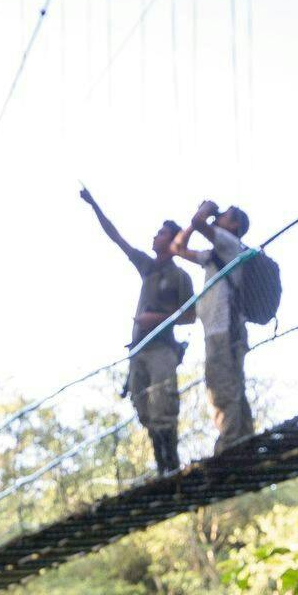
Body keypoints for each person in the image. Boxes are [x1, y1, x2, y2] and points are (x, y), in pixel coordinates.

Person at [79, 187, 194, 473]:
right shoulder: (148, 267)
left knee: (162, 406)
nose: (155, 236)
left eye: (161, 233)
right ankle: (162, 464)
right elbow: (116, 237)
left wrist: (157, 319)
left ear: (172, 241)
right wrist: (94, 204)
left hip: (162, 350)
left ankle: (170, 467)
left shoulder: (179, 276)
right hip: (138, 352)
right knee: (142, 407)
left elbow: (191, 315)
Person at [172, 199, 255, 452]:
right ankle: (244, 438)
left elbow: (198, 223)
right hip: (219, 329)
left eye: (224, 216)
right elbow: (178, 247)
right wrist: (202, 217)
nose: (218, 219)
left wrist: (205, 211)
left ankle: (229, 445)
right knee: (232, 384)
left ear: (235, 225)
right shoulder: (217, 254)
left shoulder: (231, 244)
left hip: (225, 329)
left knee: (221, 387)